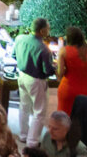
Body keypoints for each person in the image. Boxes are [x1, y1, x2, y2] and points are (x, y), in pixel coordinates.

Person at [14, 18, 57, 147]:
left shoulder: (20, 39)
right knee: (39, 111)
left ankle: (23, 135)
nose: (49, 31)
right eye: (48, 29)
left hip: (21, 76)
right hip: (36, 80)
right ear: (42, 30)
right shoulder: (44, 49)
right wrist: (55, 67)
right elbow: (48, 71)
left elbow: (13, 55)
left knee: (24, 105)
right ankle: (32, 141)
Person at [57, 24, 87, 115]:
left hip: (67, 89)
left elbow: (60, 73)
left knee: (64, 118)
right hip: (86, 90)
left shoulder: (63, 51)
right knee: (84, 119)